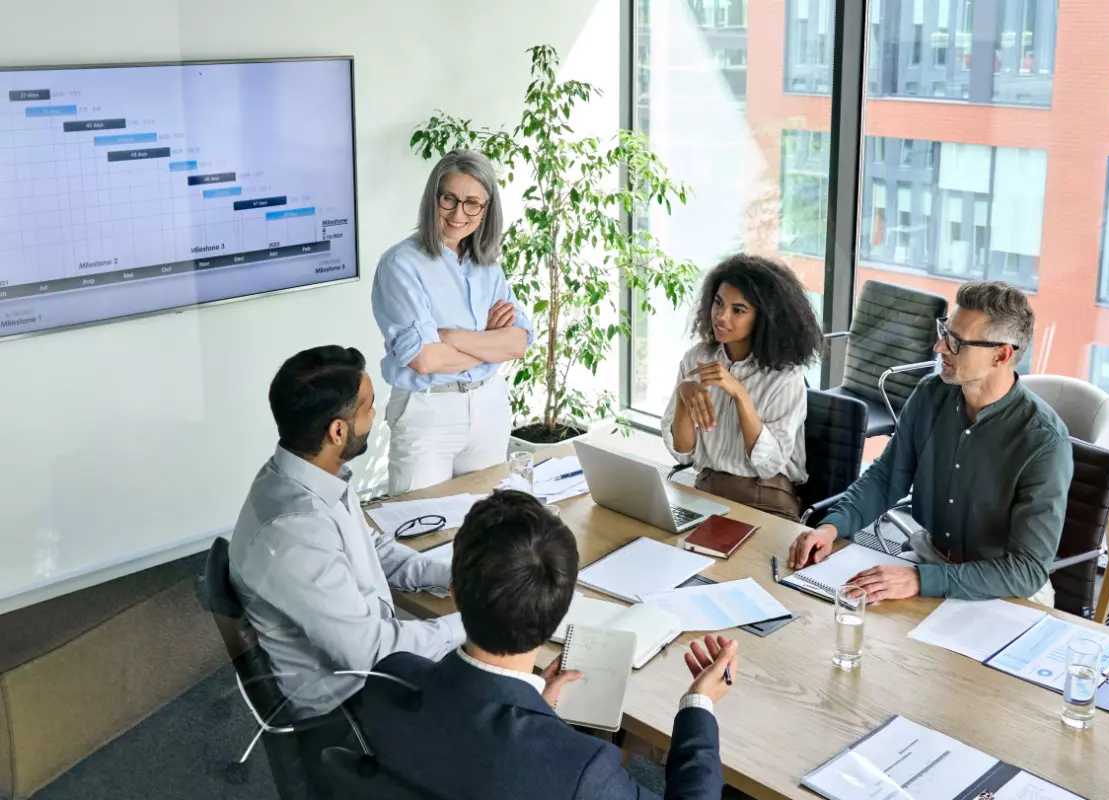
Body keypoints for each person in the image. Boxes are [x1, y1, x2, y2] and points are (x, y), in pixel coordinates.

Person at [358, 490, 736, 800]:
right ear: (561, 610)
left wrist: (538, 709)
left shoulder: (388, 680)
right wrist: (699, 706)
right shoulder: (582, 771)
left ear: (454, 594)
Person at [229, 346, 465, 795]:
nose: (376, 414)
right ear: (338, 431)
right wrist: (473, 624)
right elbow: (372, 654)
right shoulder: (293, 533)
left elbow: (371, 549)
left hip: (362, 669)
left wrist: (446, 574)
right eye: (369, 407)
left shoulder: (307, 474)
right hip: (347, 714)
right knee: (501, 703)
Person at [787, 281, 1073, 606]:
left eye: (956, 342)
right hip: (929, 559)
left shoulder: (1044, 441)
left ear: (1001, 355)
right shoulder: (929, 394)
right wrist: (830, 529)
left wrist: (920, 580)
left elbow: (1025, 571)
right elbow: (885, 479)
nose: (939, 347)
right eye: (944, 332)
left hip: (1005, 591)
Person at [372, 149, 532, 496]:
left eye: (472, 203)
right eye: (450, 199)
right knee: (421, 529)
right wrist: (490, 343)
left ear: (486, 209)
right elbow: (424, 359)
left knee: (488, 530)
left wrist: (451, 337)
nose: (459, 213)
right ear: (434, 199)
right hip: (428, 411)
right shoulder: (401, 264)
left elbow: (518, 343)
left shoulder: (488, 264)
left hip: (489, 407)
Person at [661, 253, 823, 521]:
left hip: (766, 499)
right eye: (718, 303)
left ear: (765, 318)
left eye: (738, 310)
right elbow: (683, 452)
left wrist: (739, 393)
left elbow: (769, 465)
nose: (722, 317)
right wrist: (682, 397)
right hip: (707, 489)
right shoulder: (695, 359)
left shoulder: (785, 377)